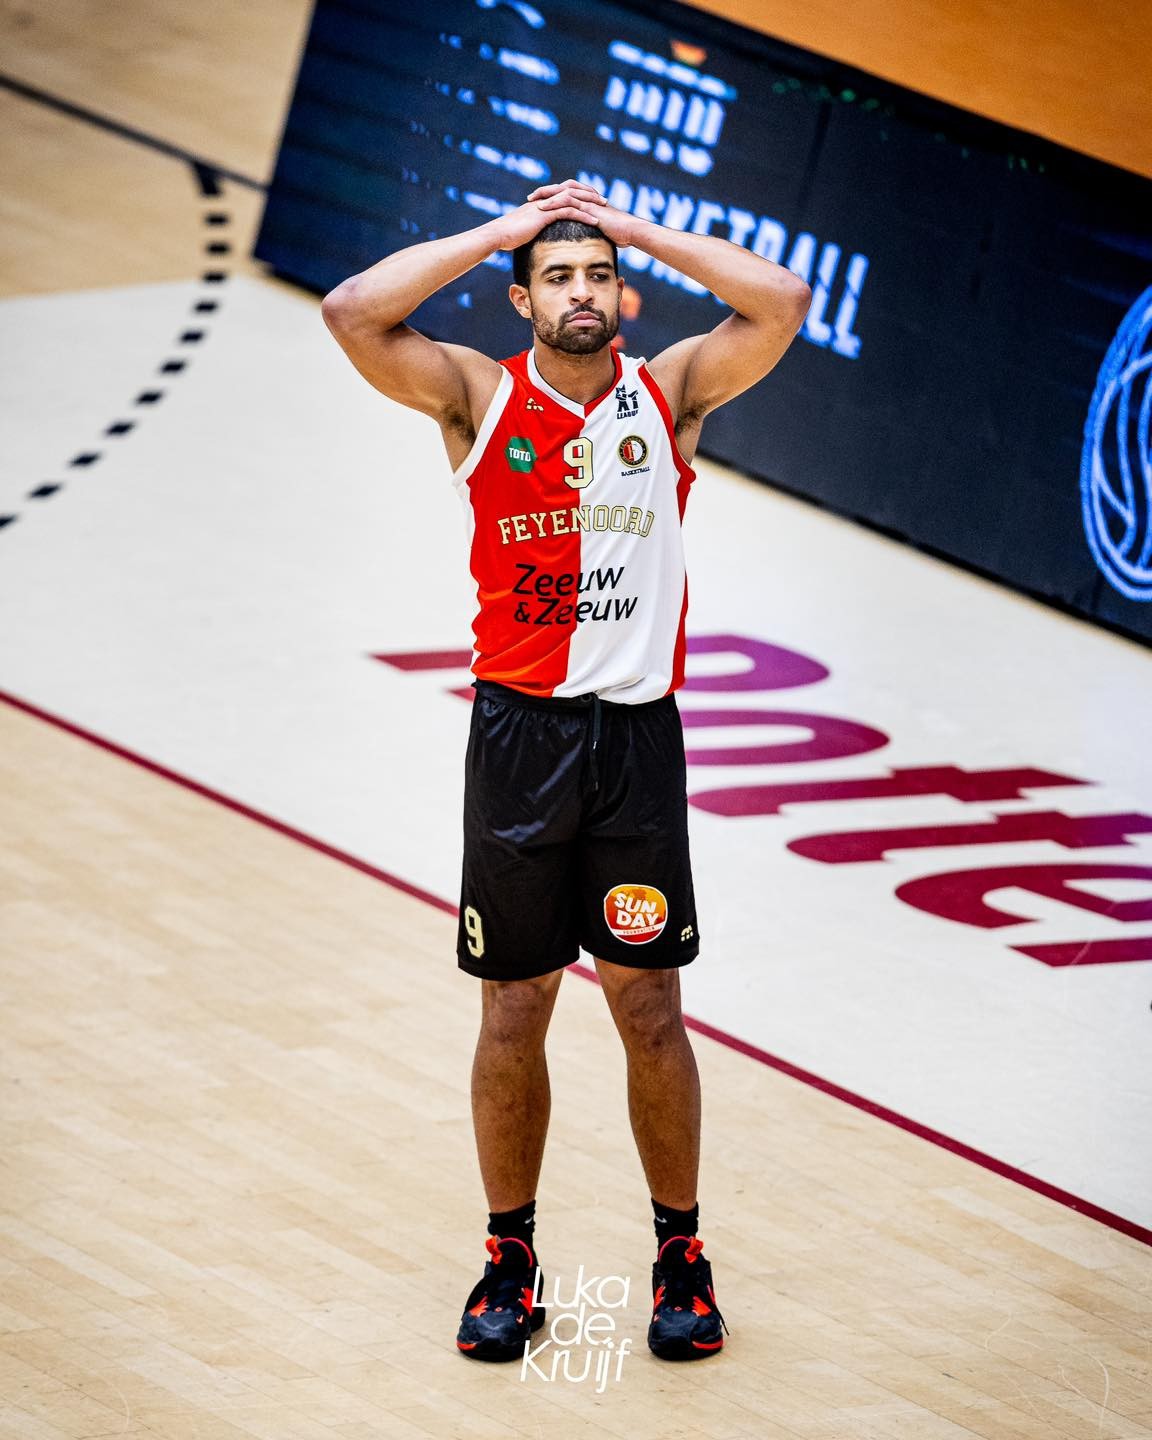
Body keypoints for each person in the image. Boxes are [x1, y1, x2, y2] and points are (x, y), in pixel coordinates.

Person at [321, 179, 810, 1362]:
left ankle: (682, 1256)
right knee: (515, 1006)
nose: (581, 292)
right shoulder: (478, 396)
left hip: (634, 742)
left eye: (598, 275)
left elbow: (782, 300)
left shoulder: (669, 392)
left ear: (622, 293)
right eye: (558, 277)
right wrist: (503, 229)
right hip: (520, 741)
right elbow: (351, 312)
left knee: (649, 1007)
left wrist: (633, 226)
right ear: (524, 299)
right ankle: (510, 1259)